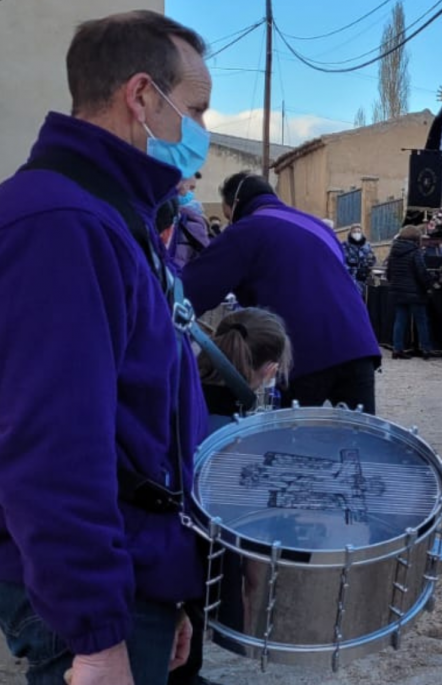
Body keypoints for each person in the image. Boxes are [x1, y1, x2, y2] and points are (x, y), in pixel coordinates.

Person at [0, 11, 211, 685]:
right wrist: (96, 634)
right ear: (143, 96)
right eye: (197, 109)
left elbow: (144, 415)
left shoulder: (112, 214)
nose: (202, 131)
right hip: (86, 604)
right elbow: (55, 447)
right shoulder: (62, 225)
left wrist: (168, 591)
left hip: (133, 571)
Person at [183, 173, 381, 413]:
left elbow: (196, 288)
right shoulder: (318, 226)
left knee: (292, 443)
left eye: (228, 215)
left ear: (236, 203)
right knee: (362, 441)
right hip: (359, 344)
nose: (229, 221)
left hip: (305, 351)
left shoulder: (248, 229)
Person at [172, 308, 291, 685]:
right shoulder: (239, 427)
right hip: (188, 552)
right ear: (270, 370)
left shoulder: (184, 388)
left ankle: (188, 671)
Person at [385, 226, 435, 360]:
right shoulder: (415, 252)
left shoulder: (393, 251)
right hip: (415, 292)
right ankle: (425, 349)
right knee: (421, 321)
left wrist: (394, 284)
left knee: (400, 320)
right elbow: (421, 272)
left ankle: (397, 349)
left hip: (398, 291)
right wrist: (430, 285)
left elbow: (388, 272)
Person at [342, 223, 376, 295]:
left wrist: (368, 265)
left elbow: (373, 259)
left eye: (358, 231)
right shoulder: (345, 245)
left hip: (365, 277)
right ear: (350, 233)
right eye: (354, 232)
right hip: (352, 278)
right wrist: (351, 271)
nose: (357, 233)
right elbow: (343, 261)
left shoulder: (367, 245)